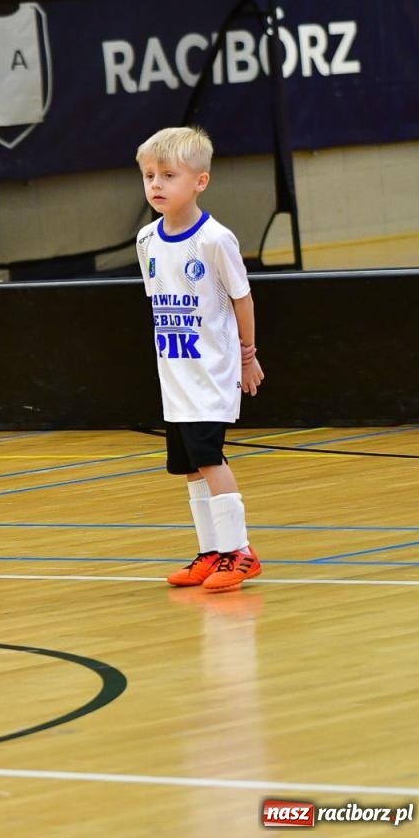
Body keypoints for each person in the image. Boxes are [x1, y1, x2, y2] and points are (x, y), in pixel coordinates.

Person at [135, 127, 265, 592]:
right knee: (189, 467)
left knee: (210, 459)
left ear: (200, 181)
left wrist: (247, 356)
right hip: (176, 377)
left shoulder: (215, 240)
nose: (156, 184)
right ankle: (212, 552)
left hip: (210, 374)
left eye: (169, 174)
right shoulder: (147, 240)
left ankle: (240, 552)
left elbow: (242, 299)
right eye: (150, 175)